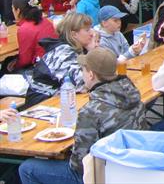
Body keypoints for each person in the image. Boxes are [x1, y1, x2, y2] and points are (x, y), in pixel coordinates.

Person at [18, 47, 146, 184]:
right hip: (131, 166)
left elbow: (78, 164)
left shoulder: (91, 111)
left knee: (27, 168)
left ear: (91, 74)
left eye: (83, 70)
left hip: (102, 175)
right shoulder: (133, 94)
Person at [25, 12, 97, 107]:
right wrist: (93, 53)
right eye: (87, 30)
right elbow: (83, 85)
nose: (92, 34)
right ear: (74, 34)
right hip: (42, 103)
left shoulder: (77, 49)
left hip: (60, 99)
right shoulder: (62, 53)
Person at [11, 0, 57, 70]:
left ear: (18, 10)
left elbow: (25, 60)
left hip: (43, 67)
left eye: (12, 8)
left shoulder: (25, 28)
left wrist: (14, 66)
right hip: (55, 60)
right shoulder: (45, 21)